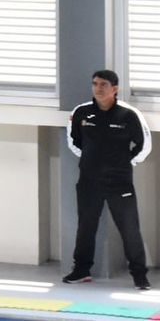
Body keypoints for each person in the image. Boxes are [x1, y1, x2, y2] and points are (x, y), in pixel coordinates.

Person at [64, 69, 153, 289]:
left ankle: (139, 275)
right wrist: (92, 161)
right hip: (89, 181)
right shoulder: (81, 112)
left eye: (103, 84)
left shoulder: (129, 114)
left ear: (115, 89)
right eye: (95, 83)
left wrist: (125, 163)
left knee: (130, 229)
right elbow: (74, 142)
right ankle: (81, 270)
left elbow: (144, 145)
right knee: (86, 227)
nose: (98, 88)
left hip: (120, 182)